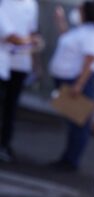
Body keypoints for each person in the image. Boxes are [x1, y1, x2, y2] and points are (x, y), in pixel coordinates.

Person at [48, 1, 94, 172]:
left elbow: (89, 60)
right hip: (69, 81)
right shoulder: (81, 31)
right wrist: (60, 22)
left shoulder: (93, 34)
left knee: (80, 124)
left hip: (79, 83)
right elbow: (67, 39)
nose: (76, 12)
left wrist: (79, 84)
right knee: (73, 123)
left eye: (79, 10)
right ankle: (67, 158)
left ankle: (71, 161)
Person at [0, 0, 39, 162]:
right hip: (3, 62)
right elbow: (11, 37)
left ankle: (4, 144)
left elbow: (33, 31)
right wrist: (30, 42)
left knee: (10, 108)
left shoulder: (31, 5)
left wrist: (36, 63)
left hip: (20, 64)